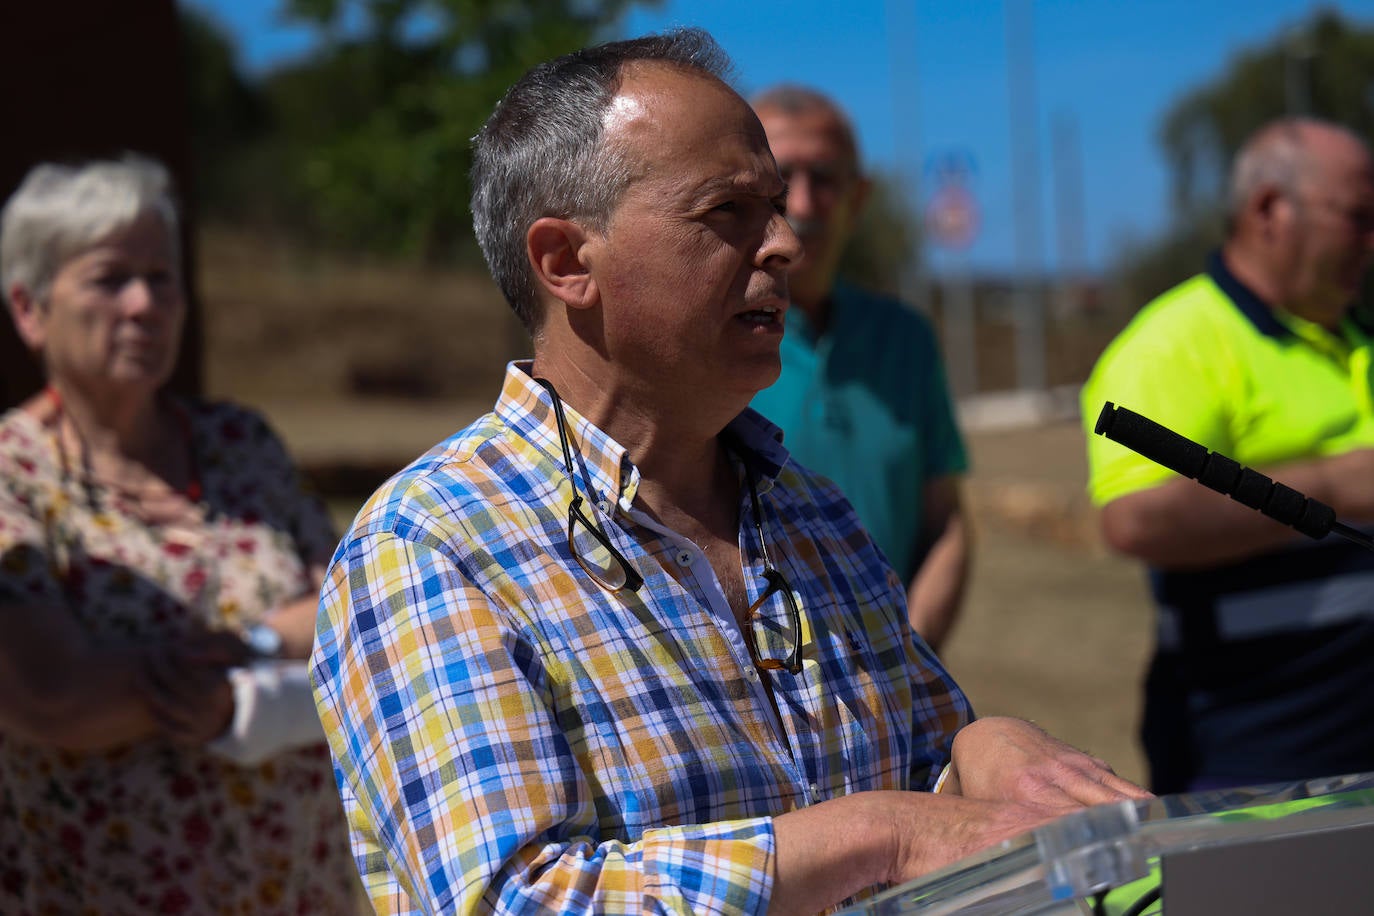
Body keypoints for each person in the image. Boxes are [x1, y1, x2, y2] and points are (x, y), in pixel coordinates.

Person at [313, 29, 1147, 915]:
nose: (785, 244)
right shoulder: (432, 548)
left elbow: (926, 777)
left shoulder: (811, 513)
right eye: (728, 212)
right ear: (565, 262)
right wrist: (880, 835)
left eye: (777, 207)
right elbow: (521, 900)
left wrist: (989, 748)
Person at [0, 156, 357, 913]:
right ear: (30, 308)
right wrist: (255, 688)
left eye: (163, 278)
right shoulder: (13, 473)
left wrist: (252, 656)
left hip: (297, 886)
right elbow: (51, 695)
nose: (144, 305)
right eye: (109, 278)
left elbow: (355, 609)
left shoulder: (239, 441)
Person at [1081, 118, 1374, 795]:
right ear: (1271, 209)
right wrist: (1341, 483)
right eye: (1358, 218)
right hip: (1261, 742)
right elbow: (1136, 520)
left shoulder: (1359, 335)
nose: (1370, 241)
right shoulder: (1174, 344)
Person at [748, 85, 970, 653]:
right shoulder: (709, 342)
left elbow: (945, 520)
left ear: (859, 195)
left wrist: (907, 657)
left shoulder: (907, 339)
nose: (800, 204)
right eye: (778, 179)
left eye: (823, 177)